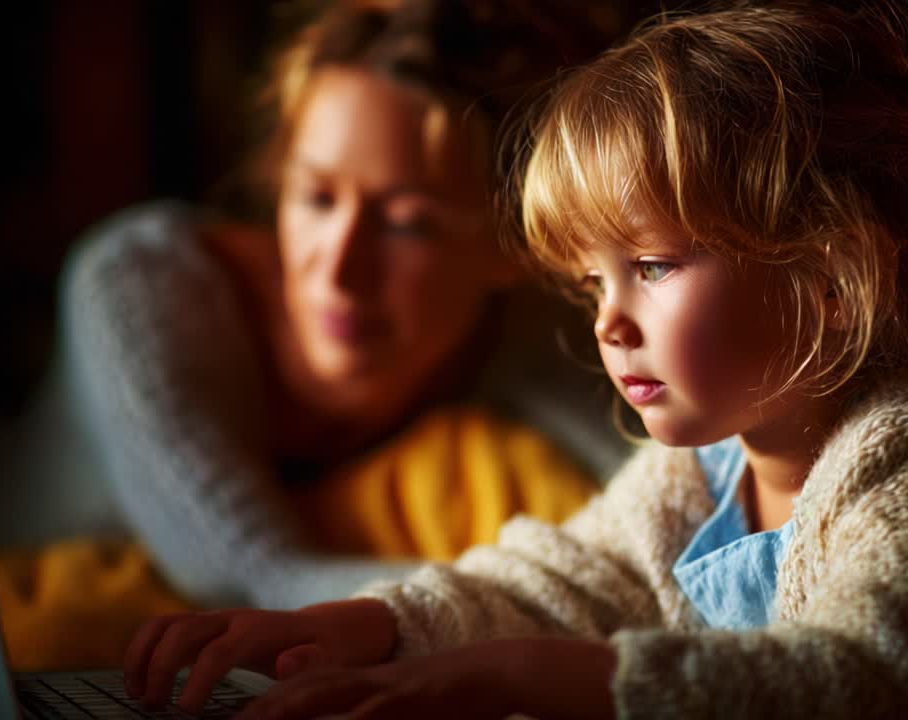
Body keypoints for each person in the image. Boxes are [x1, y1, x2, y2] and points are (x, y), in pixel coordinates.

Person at [120, 1, 908, 717]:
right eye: (591, 281)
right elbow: (568, 580)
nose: (608, 321)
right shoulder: (713, 462)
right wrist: (366, 626)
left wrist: (518, 676)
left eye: (650, 266)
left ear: (830, 277)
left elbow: (865, 681)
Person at [56, 0, 644, 612]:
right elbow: (257, 583)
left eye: (407, 224)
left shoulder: (515, 324)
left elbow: (679, 476)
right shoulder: (143, 286)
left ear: (515, 246)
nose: (339, 271)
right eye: (316, 198)